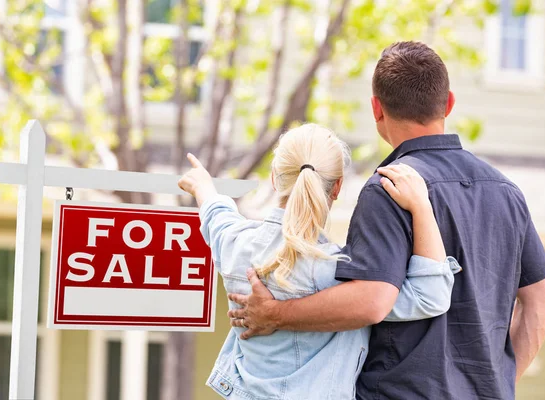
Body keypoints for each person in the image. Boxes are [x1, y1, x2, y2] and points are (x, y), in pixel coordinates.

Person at [227, 42, 545, 399]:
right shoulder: (505, 191)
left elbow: (371, 301)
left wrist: (276, 314)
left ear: (376, 109)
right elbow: (544, 300)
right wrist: (498, 384)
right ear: (448, 103)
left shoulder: (388, 187)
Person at [178, 123, 461, 399]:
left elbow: (217, 216)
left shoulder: (236, 245)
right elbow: (429, 295)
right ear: (337, 187)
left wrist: (203, 187)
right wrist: (421, 206)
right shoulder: (342, 274)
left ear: (275, 179)